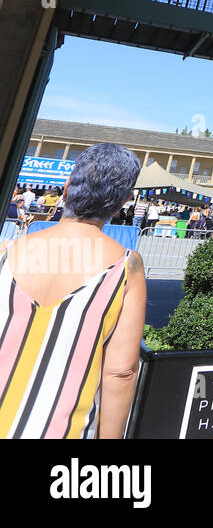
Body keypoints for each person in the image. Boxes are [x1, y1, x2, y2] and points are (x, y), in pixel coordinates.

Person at [0, 143, 146, 438]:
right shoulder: (126, 268)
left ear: (66, 188)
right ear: (123, 203)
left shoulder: (5, 252)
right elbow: (121, 372)